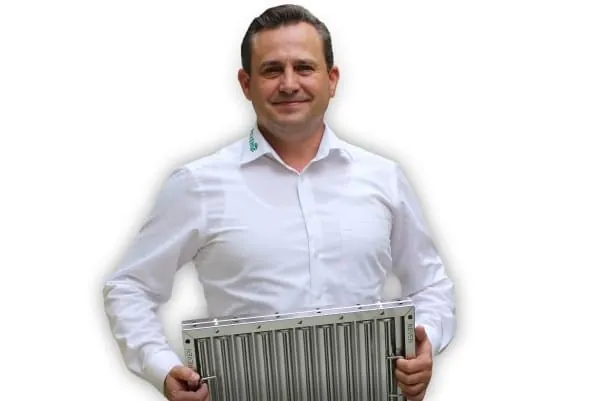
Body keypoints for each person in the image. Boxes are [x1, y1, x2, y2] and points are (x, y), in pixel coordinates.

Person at [102, 4, 456, 401]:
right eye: (272, 70)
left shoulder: (384, 177)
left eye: (304, 68)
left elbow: (431, 284)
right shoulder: (197, 185)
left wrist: (425, 340)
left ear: (332, 79)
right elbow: (129, 287)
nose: (289, 84)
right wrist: (162, 368)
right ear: (246, 83)